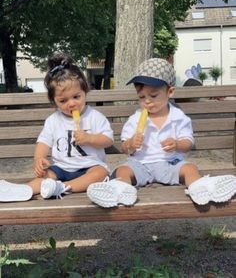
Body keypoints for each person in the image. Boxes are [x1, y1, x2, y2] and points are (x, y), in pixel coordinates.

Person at [87, 58, 236, 208]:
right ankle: (121, 190)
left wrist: (177, 144)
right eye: (142, 97)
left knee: (190, 168)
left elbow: (188, 142)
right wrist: (131, 144)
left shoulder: (178, 117)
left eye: (153, 96)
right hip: (140, 164)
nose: (147, 101)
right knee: (122, 170)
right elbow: (125, 147)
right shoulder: (136, 118)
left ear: (170, 92)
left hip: (170, 163)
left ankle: (200, 188)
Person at [0, 53, 113, 202]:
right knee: (45, 176)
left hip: (89, 167)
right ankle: (23, 190)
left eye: (76, 97)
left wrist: (90, 138)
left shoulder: (95, 117)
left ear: (85, 92)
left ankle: (63, 187)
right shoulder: (53, 121)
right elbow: (44, 142)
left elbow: (108, 140)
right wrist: (39, 158)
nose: (71, 104)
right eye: (63, 100)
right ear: (54, 102)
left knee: (101, 173)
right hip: (61, 168)